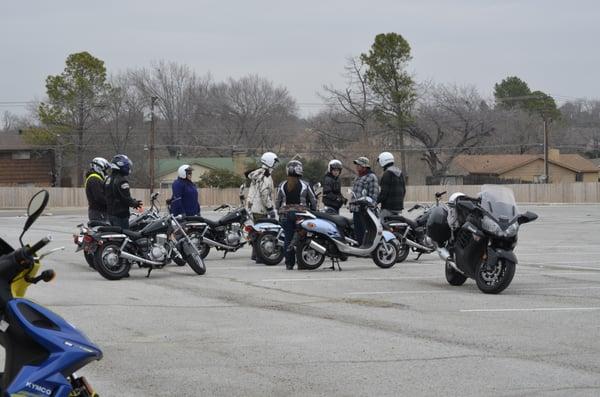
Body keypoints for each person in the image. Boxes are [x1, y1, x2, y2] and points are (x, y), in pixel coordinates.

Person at [276, 160, 317, 270]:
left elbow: (277, 202)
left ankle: (289, 264)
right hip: (301, 215)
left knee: (288, 239)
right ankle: (302, 263)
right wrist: (313, 211)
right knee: (301, 237)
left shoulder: (282, 185)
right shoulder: (305, 185)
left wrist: (279, 212)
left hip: (285, 215)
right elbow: (313, 200)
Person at [246, 152, 279, 263]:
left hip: (254, 207)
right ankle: (260, 256)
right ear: (269, 161)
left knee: (257, 232)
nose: (275, 165)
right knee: (262, 233)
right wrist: (270, 208)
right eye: (274, 162)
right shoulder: (265, 175)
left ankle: (256, 255)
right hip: (261, 208)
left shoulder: (259, 173)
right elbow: (265, 194)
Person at [104, 154, 142, 230]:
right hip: (120, 215)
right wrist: (135, 203)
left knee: (115, 237)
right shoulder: (122, 180)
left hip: (110, 214)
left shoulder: (108, 179)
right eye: (127, 165)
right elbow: (126, 198)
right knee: (124, 237)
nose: (128, 168)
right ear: (120, 166)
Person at [350, 156, 379, 246]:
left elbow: (374, 194)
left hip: (365, 210)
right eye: (357, 165)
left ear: (364, 166)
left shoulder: (371, 177)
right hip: (356, 209)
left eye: (359, 165)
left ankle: (367, 247)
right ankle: (360, 246)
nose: (357, 167)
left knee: (365, 230)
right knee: (357, 229)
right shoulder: (358, 176)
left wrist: (369, 206)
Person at [376, 151, 406, 220]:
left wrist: (375, 202)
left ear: (383, 160)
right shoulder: (400, 172)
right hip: (399, 208)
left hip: (388, 208)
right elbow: (404, 190)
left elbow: (384, 193)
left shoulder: (387, 174)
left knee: (379, 225)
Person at [85, 157, 110, 222]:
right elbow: (99, 197)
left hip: (98, 212)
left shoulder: (96, 178)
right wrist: (111, 203)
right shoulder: (94, 179)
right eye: (105, 170)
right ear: (99, 167)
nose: (106, 172)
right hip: (99, 213)